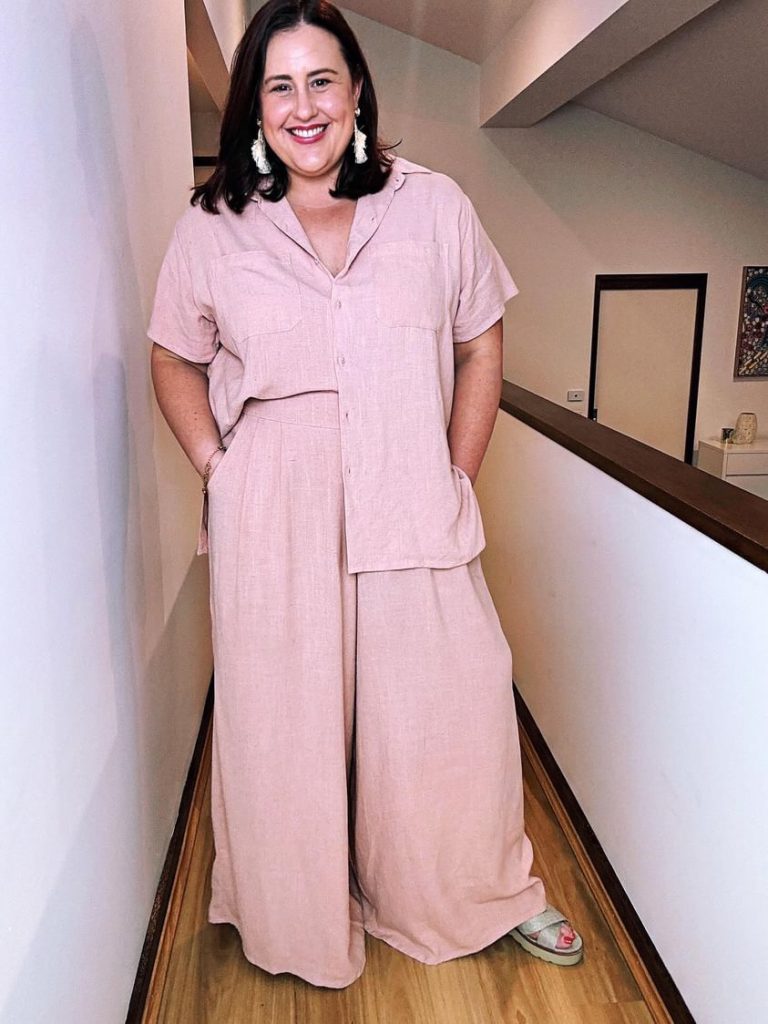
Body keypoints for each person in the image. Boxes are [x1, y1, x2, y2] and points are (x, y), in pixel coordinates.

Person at [148, 0, 583, 989]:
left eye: (322, 79)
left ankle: (480, 887)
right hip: (275, 511)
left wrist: (456, 469)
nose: (303, 104)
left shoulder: (433, 207)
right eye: (279, 83)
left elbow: (480, 346)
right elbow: (173, 358)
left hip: (408, 489)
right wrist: (220, 468)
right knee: (282, 720)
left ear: (356, 92)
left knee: (450, 704)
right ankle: (291, 910)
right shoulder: (214, 225)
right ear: (256, 106)